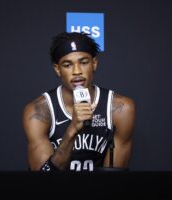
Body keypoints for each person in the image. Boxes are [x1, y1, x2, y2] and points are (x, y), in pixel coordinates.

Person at [23, 31, 136, 171]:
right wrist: (72, 130)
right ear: (57, 69)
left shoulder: (120, 109)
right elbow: (42, 179)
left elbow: (113, 180)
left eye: (83, 62)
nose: (77, 71)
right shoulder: (39, 111)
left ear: (94, 63)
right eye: (67, 65)